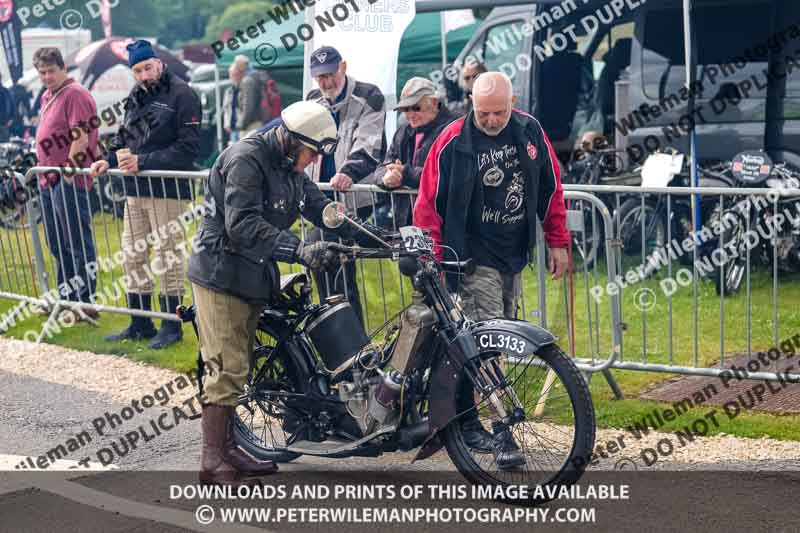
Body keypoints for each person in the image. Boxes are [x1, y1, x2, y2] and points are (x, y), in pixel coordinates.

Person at [186, 101, 349, 486]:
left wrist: (355, 230)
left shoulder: (289, 165)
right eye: (310, 153)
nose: (310, 163)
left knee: (239, 363)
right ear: (291, 140)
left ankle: (229, 448)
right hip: (220, 272)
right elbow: (242, 225)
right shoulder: (247, 159)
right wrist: (298, 250)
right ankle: (211, 458)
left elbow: (318, 205)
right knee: (226, 366)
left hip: (252, 273)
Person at [414, 72, 570, 469]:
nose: (492, 120)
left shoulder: (529, 131)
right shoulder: (451, 140)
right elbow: (428, 204)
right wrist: (433, 255)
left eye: (499, 112)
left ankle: (464, 420)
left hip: (512, 252)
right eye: (484, 113)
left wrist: (558, 240)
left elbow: (551, 188)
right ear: (471, 103)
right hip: (470, 255)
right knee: (489, 340)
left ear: (512, 102)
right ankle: (503, 432)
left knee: (494, 339)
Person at [90, 39, 201, 349]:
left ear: (160, 63)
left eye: (147, 67)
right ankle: (140, 322)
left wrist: (143, 161)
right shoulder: (136, 95)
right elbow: (125, 137)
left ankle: (172, 327)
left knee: (168, 257)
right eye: (137, 70)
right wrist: (107, 159)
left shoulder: (184, 94)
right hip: (135, 191)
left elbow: (190, 149)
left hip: (168, 190)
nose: (143, 75)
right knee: (132, 256)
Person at [304, 45, 386, 324]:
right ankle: (340, 334)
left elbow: (370, 145)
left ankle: (352, 338)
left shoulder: (369, 95)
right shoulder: (313, 99)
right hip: (321, 196)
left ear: (344, 67)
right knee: (327, 261)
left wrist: (348, 172)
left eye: (329, 75)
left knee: (332, 258)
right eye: (319, 78)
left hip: (352, 199)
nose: (325, 83)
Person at [34, 47, 100, 321]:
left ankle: (86, 301)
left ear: (63, 68)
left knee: (76, 240)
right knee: (57, 241)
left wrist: (70, 174)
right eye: (42, 72)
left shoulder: (75, 94)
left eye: (51, 71)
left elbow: (81, 138)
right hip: (48, 179)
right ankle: (66, 296)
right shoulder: (48, 95)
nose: (47, 77)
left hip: (67, 178)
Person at [370, 77, 457, 227]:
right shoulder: (403, 131)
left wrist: (405, 174)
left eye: (416, 107)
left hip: (441, 222)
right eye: (405, 109)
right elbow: (381, 168)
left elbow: (449, 175)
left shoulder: (454, 130)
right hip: (406, 223)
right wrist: (388, 177)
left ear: (435, 103)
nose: (410, 114)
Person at [221, 55, 259, 143]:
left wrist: (241, 125)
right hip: (234, 128)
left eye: (236, 74)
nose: (234, 77)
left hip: (245, 127)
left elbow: (248, 107)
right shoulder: (229, 91)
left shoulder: (247, 83)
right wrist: (227, 124)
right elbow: (226, 108)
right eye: (232, 74)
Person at [0, 74, 13, 142]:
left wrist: (11, 119)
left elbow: (11, 105)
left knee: (4, 145)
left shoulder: (5, 91)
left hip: (4, 123)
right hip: (4, 123)